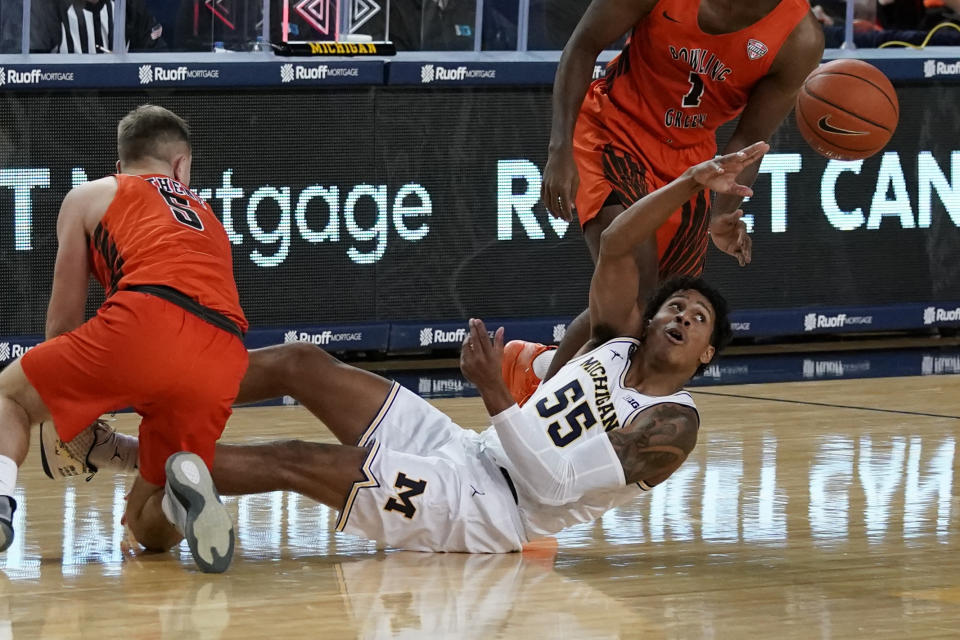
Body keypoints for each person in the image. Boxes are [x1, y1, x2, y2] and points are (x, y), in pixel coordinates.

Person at [43, 143, 766, 553]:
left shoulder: (674, 424)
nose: (679, 314)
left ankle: (118, 457)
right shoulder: (611, 343)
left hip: (488, 514)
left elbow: (551, 489)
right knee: (303, 363)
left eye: (696, 318)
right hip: (471, 452)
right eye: (675, 302)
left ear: (705, 356)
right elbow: (614, 242)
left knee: (299, 459)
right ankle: (147, 407)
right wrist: (691, 182)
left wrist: (493, 391)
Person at [506, 0, 824, 404]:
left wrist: (722, 215)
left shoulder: (799, 37)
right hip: (611, 128)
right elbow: (584, 44)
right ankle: (537, 413)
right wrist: (560, 148)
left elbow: (750, 137)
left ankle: (538, 372)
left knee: (649, 315)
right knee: (637, 291)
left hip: (690, 165)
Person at [0, 105, 247, 573]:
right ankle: (178, 503)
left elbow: (62, 327)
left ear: (121, 164)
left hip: (146, 320)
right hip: (225, 349)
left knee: (9, 395)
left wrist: (62, 413)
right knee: (145, 526)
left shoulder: (91, 194)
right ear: (180, 165)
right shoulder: (208, 214)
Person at [30, 0, 165, 53]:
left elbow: (159, 72)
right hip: (64, 106)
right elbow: (31, 77)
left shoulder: (129, 6)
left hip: (122, 105)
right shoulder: (47, 8)